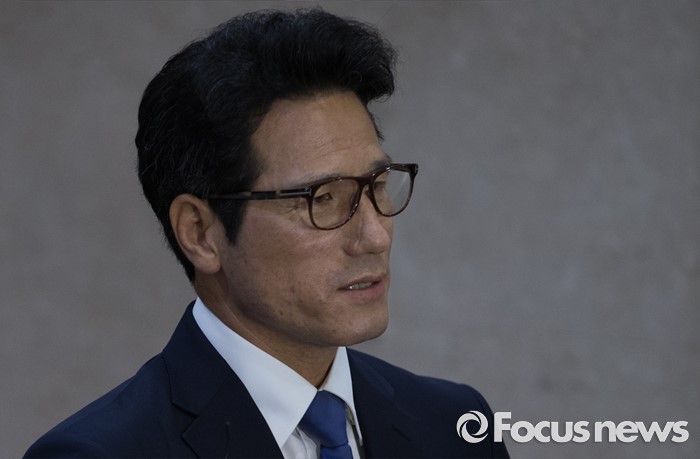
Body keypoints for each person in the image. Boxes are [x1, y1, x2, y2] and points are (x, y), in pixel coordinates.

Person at [25, 8, 508, 459]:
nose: (375, 237)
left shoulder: (455, 425)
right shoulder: (98, 452)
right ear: (200, 233)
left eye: (377, 185)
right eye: (323, 198)